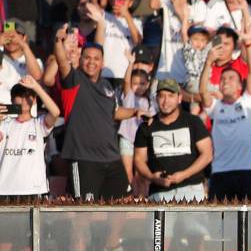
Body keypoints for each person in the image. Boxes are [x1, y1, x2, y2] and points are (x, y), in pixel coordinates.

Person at [53, 26, 137, 200]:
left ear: (103, 63)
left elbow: (115, 112)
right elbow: (62, 62)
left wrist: (136, 111)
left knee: (124, 203)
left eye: (96, 59)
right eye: (87, 58)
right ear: (80, 59)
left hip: (111, 157)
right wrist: (58, 42)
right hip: (84, 159)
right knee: (83, 213)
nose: (91, 62)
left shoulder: (107, 86)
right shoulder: (73, 80)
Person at [201, 32, 251, 201]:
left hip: (245, 171)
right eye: (223, 79)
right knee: (218, 222)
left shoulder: (248, 102)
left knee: (244, 221)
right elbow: (203, 90)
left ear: (240, 85)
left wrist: (249, 46)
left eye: (231, 78)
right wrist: (208, 62)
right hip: (219, 171)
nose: (226, 81)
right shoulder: (215, 107)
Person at [133, 79, 213, 202]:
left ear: (179, 98)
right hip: (159, 193)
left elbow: (207, 155)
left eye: (171, 96)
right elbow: (139, 159)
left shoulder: (193, 122)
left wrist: (184, 174)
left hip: (192, 190)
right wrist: (152, 177)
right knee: (160, 222)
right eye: (162, 96)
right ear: (156, 99)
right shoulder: (146, 127)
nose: (166, 101)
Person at [0, 77, 60, 199]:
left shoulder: (39, 124)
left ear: (34, 99)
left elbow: (55, 112)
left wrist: (36, 87)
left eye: (28, 96)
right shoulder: (4, 124)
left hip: (33, 188)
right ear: (12, 100)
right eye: (19, 96)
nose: (23, 100)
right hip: (5, 188)